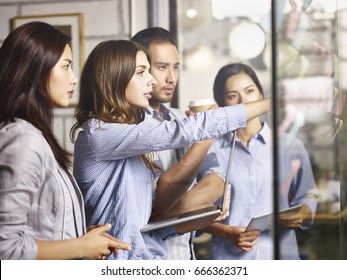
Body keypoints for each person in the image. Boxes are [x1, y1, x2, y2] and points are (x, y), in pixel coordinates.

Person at [70, 39, 272, 260]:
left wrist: (197, 219)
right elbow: (184, 131)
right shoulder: (98, 134)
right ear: (115, 79)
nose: (152, 80)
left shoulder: (130, 137)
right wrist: (272, 103)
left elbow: (140, 230)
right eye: (141, 72)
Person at [0, 22, 131, 260]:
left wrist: (81, 238)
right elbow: (5, 248)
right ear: (36, 69)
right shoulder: (23, 139)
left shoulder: (35, 135)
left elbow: (39, 226)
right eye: (66, 66)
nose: (73, 79)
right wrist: (80, 247)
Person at [199, 63, 319, 259]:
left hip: (280, 257)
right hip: (229, 261)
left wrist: (303, 211)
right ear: (222, 104)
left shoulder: (290, 146)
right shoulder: (210, 150)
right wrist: (226, 232)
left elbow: (308, 193)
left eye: (249, 91)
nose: (244, 101)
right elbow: (194, 215)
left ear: (261, 94)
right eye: (232, 96)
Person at [131, 27, 224, 260]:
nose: (171, 78)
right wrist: (195, 206)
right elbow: (154, 206)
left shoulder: (181, 118)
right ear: (139, 67)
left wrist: (171, 211)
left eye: (175, 67)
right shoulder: (130, 127)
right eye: (162, 67)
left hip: (186, 256)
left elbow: (217, 178)